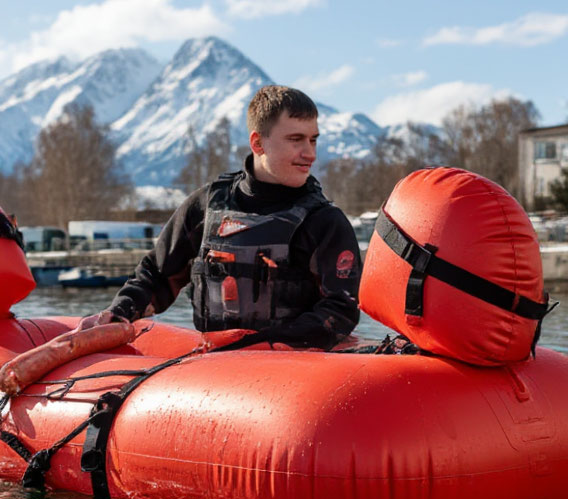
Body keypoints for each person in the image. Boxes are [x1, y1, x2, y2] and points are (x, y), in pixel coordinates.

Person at [75, 85, 361, 348]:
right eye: (296, 140)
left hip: (291, 374)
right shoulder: (207, 205)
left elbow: (341, 308)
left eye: (313, 140)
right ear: (258, 143)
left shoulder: (325, 221)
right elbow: (156, 274)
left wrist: (268, 346)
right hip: (214, 369)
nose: (309, 153)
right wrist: (120, 311)